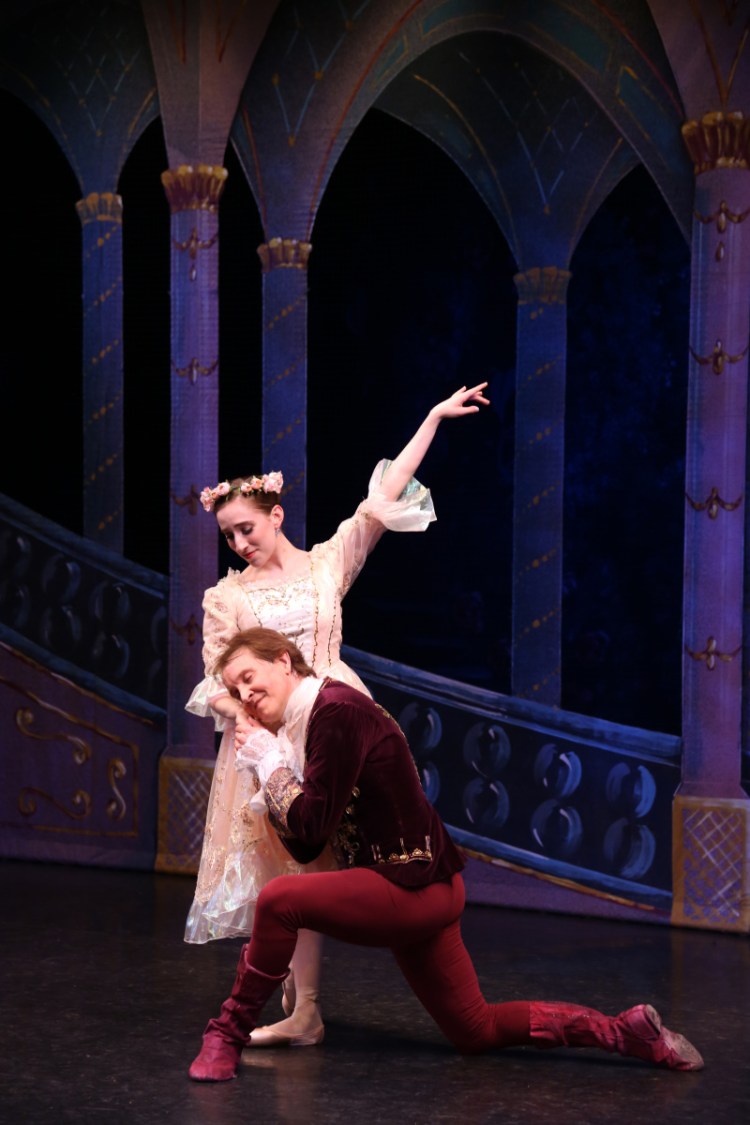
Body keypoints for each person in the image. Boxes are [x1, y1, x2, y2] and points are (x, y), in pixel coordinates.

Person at [187, 628, 704, 1082]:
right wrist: (269, 761)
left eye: (250, 677)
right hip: (422, 889)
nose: (246, 694)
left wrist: (269, 762)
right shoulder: (308, 723)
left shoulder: (336, 711)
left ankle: (226, 1034)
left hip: (410, 888)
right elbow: (307, 843)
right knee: (474, 1029)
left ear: (284, 660)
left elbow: (309, 826)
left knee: (279, 900)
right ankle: (624, 1032)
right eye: (236, 691)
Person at [184, 383, 491, 1047]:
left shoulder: (326, 567)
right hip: (270, 736)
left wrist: (433, 416)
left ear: (276, 514)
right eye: (229, 534)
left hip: (339, 724)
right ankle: (302, 1007)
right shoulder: (225, 597)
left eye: (248, 527)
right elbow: (217, 680)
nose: (239, 541)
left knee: (325, 866)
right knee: (290, 872)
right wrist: (259, 733)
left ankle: (309, 1003)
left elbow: (380, 502)